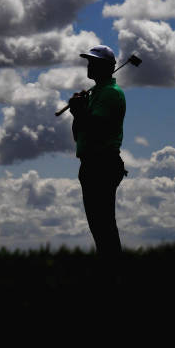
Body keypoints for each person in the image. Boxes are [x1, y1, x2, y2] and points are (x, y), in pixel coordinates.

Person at [69, 44, 127, 277]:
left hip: (102, 164)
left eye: (94, 62)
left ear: (108, 67)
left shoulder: (110, 94)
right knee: (98, 223)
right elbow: (79, 134)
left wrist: (79, 111)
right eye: (89, 61)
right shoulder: (96, 93)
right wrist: (78, 111)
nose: (89, 65)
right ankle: (109, 269)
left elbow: (96, 129)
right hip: (92, 164)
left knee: (103, 223)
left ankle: (113, 272)